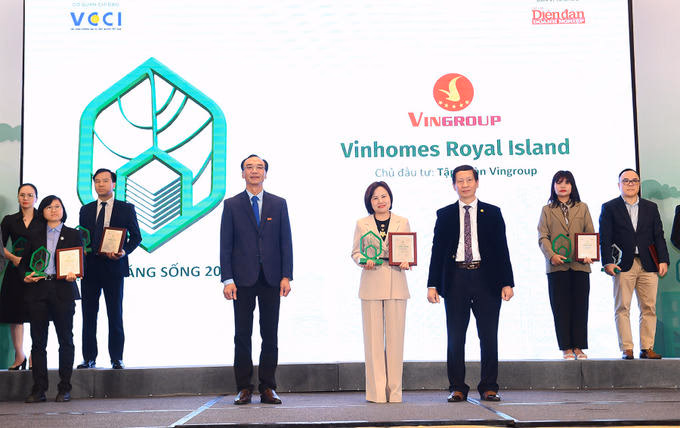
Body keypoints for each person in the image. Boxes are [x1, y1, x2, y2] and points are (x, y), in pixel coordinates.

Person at [426, 165, 514, 403]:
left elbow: (502, 249)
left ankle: (489, 386)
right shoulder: (444, 214)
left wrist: (507, 282)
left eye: (469, 180)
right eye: (460, 181)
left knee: (488, 336)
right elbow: (437, 251)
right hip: (456, 279)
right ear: (453, 185)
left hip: (487, 278)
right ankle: (457, 387)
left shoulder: (493, 212)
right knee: (455, 337)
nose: (464, 185)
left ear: (477, 182)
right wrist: (432, 284)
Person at [220, 154, 293, 405]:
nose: (254, 171)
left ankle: (268, 387)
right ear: (242, 173)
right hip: (241, 280)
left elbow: (286, 242)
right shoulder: (231, 205)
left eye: (259, 167)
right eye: (249, 167)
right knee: (242, 335)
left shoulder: (278, 204)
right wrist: (227, 279)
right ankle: (243, 387)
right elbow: (225, 245)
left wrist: (286, 275)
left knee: (269, 334)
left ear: (265, 173)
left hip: (271, 278)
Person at [351, 181, 411, 403]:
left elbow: (407, 249)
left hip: (396, 280)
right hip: (371, 280)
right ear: (369, 202)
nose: (380, 201)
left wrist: (407, 260)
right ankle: (376, 393)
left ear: (390, 198)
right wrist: (363, 260)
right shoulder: (362, 223)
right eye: (375, 198)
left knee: (396, 341)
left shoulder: (402, 221)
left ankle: (394, 393)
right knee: (373, 341)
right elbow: (355, 252)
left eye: (384, 196)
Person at [599, 168, 669, 360]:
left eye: (634, 181)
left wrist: (663, 259)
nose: (630, 184)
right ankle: (627, 348)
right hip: (622, 264)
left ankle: (647, 348)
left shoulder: (651, 207)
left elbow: (659, 235)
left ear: (639, 184)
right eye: (626, 181)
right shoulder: (610, 207)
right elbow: (605, 238)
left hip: (649, 264)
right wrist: (607, 262)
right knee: (623, 307)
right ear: (619, 185)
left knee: (649, 308)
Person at [77, 168, 142, 370]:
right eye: (97, 181)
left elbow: (136, 237)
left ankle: (116, 358)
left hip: (114, 267)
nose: (101, 184)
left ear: (113, 184)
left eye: (105, 180)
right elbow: (83, 237)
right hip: (90, 268)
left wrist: (124, 251)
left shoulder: (126, 208)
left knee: (115, 314)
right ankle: (89, 358)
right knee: (88, 315)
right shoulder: (85, 210)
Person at [21, 195, 82, 402]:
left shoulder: (74, 234)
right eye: (49, 207)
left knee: (66, 340)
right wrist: (26, 275)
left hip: (63, 289)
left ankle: (64, 388)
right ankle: (39, 389)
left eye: (57, 206)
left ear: (63, 210)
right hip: (38, 290)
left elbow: (81, 261)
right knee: (38, 342)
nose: (54, 210)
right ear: (43, 211)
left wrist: (75, 274)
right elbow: (23, 263)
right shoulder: (34, 234)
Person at [537, 171, 595, 360]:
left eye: (567, 183)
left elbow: (589, 233)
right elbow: (543, 236)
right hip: (557, 267)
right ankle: (566, 348)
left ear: (572, 186)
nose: (563, 186)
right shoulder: (547, 210)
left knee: (580, 307)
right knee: (560, 308)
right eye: (559, 182)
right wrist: (551, 255)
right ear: (553, 186)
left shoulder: (582, 207)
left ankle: (578, 347)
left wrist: (589, 253)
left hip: (580, 266)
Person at [1, 183, 42, 370]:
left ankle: (35, 356)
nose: (26, 198)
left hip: (37, 271)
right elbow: (0, 245)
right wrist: (13, 258)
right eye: (22, 195)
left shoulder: (43, 219)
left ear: (36, 198)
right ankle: (19, 356)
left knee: (38, 315)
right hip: (15, 270)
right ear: (18, 197)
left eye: (30, 195)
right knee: (15, 314)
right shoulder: (9, 220)